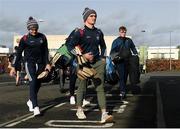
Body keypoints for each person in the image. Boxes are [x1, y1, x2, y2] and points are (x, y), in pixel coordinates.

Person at [66, 7, 113, 124]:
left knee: (100, 87)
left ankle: (104, 113)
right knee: (82, 87)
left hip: (97, 63)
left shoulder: (98, 32)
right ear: (86, 18)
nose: (94, 18)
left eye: (95, 16)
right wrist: (81, 56)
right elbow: (69, 46)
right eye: (91, 16)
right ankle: (79, 109)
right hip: (83, 64)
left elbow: (103, 46)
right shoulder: (80, 32)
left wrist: (102, 58)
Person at [10, 16, 51, 116]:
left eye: (35, 29)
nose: (34, 31)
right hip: (30, 63)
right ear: (28, 29)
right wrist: (13, 66)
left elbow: (46, 51)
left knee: (38, 84)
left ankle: (30, 100)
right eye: (32, 29)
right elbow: (19, 53)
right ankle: (35, 107)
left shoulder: (42, 37)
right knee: (32, 83)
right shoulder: (24, 39)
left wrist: (48, 63)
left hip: (40, 63)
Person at [110, 26, 138, 99]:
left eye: (125, 32)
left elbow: (133, 47)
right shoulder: (116, 41)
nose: (123, 33)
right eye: (122, 32)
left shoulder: (129, 40)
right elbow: (112, 51)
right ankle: (122, 92)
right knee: (122, 77)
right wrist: (114, 59)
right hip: (120, 61)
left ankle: (124, 89)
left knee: (127, 76)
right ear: (119, 32)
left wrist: (135, 53)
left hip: (129, 60)